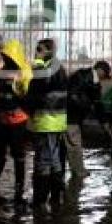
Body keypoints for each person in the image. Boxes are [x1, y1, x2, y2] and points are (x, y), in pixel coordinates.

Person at [0, 39, 33, 203]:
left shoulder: (24, 72)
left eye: (7, 56)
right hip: (2, 120)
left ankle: (19, 187)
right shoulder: (3, 71)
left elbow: (28, 96)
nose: (5, 58)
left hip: (18, 121)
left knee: (18, 155)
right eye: (4, 56)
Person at [26, 38, 69, 208]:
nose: (36, 52)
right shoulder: (58, 67)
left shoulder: (47, 68)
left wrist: (36, 63)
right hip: (57, 122)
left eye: (39, 49)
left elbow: (36, 88)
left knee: (43, 161)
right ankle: (57, 197)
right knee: (54, 159)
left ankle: (40, 201)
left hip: (46, 122)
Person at [63, 60, 111, 178]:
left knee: (71, 144)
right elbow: (72, 96)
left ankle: (67, 171)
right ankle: (78, 172)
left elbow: (98, 104)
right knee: (75, 144)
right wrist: (86, 106)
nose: (104, 78)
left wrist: (103, 121)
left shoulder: (93, 82)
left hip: (73, 116)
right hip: (70, 116)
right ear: (100, 70)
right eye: (105, 75)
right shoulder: (81, 76)